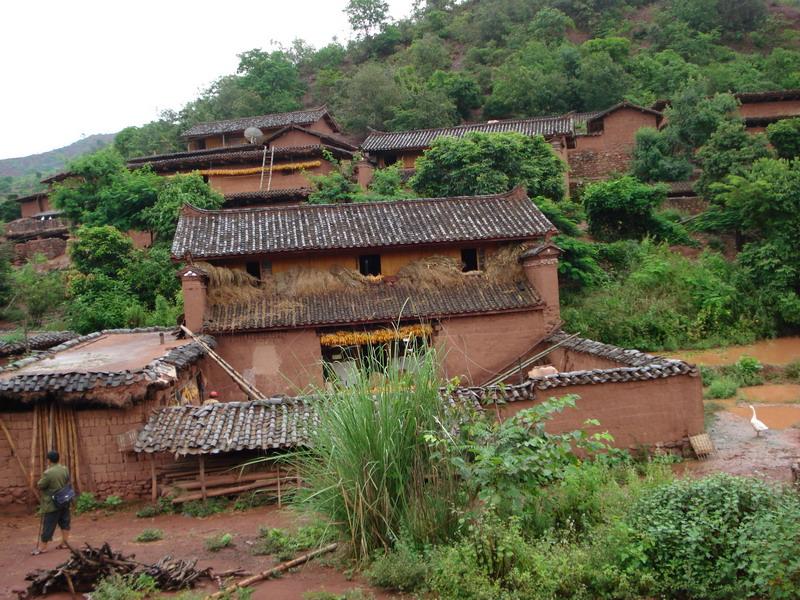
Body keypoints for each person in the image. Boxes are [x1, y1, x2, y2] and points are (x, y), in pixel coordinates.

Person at [32, 450, 71, 555]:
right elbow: (67, 480)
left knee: (48, 524)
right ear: (58, 459)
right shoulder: (65, 469)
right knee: (65, 521)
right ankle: (65, 542)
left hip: (52, 502)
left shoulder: (48, 473)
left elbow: (40, 485)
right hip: (64, 499)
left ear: (49, 460)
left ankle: (43, 547)